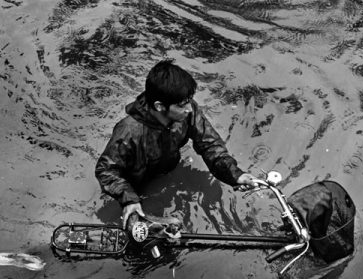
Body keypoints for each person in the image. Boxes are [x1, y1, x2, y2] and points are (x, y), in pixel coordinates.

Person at [95, 59, 259, 227]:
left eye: (189, 101)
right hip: (134, 186)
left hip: (165, 171)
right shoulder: (129, 131)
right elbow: (106, 170)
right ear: (160, 106)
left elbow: (210, 145)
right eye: (182, 105)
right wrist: (128, 200)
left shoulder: (188, 112)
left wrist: (236, 175)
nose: (189, 108)